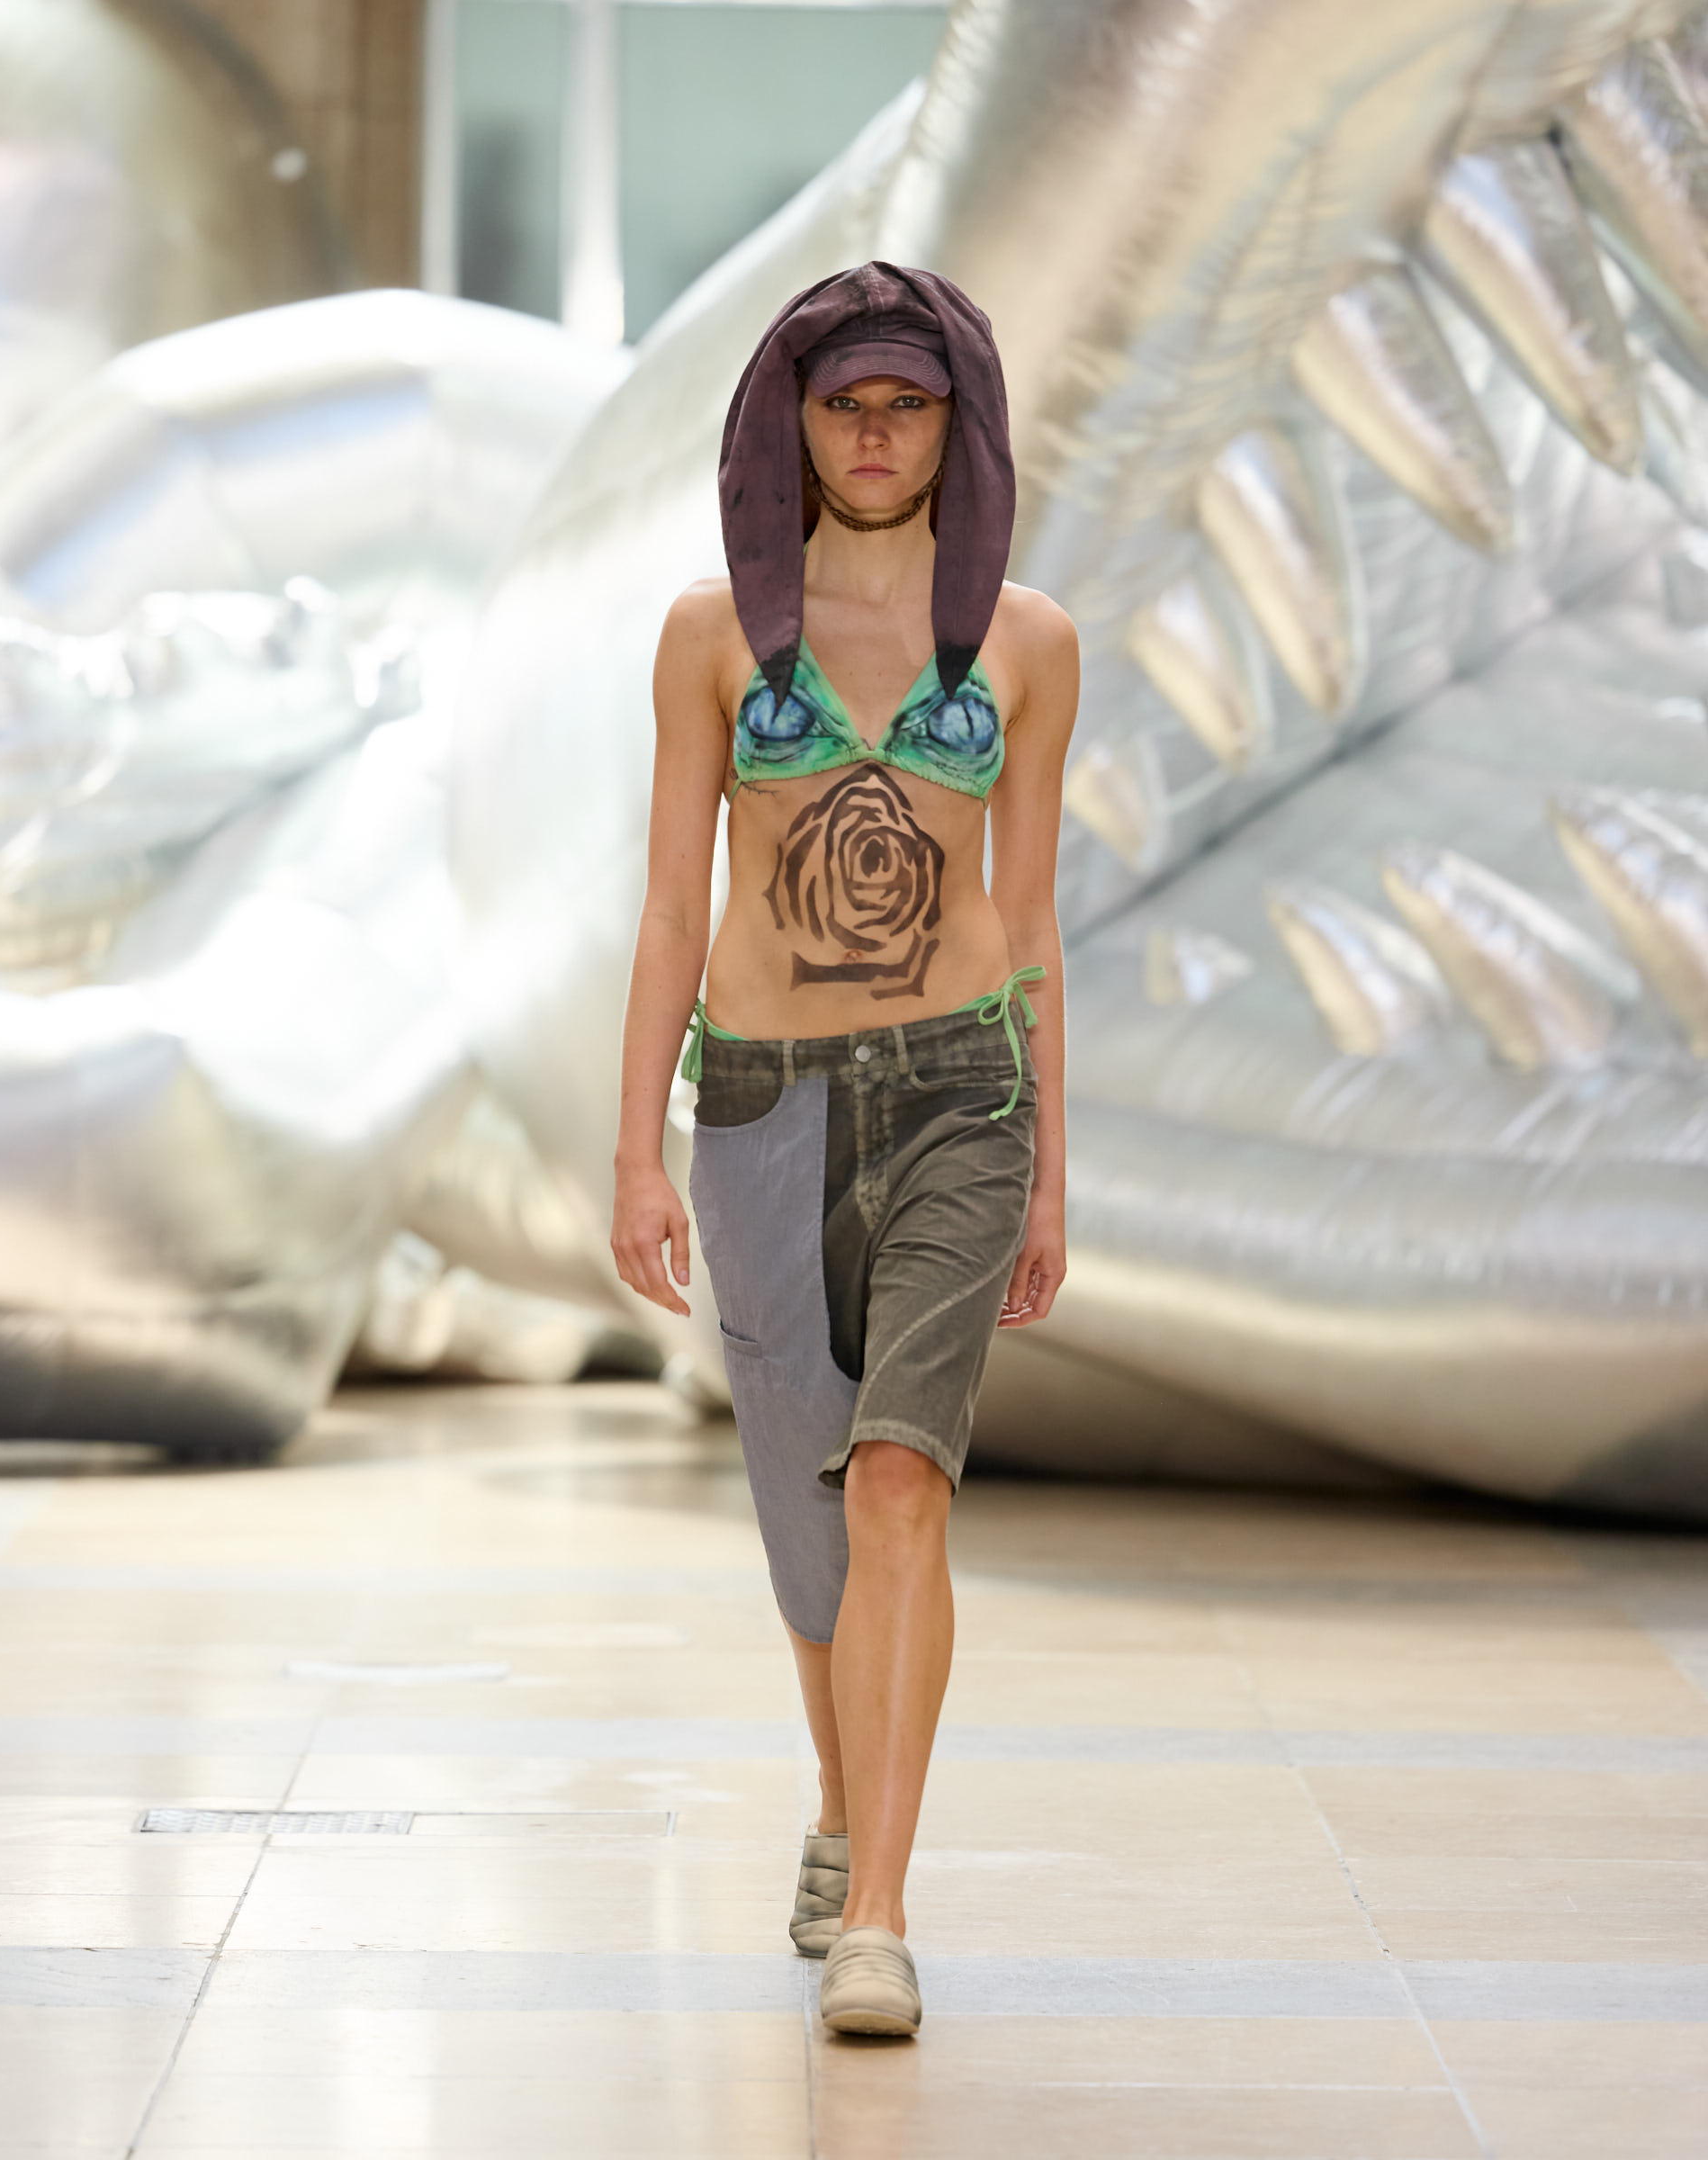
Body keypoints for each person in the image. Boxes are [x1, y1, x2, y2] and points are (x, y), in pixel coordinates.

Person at [611, 260, 1078, 2037]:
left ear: (960, 424)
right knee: (810, 1517)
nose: (876, 434)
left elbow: (1030, 922)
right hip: (756, 1106)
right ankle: (839, 1797)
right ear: (790, 424)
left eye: (909, 403)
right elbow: (674, 908)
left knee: (898, 1483)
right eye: (843, 403)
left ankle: (878, 1911)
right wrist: (635, 1154)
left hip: (962, 1094)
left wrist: (1050, 1170)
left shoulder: (1029, 644)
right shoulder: (710, 637)